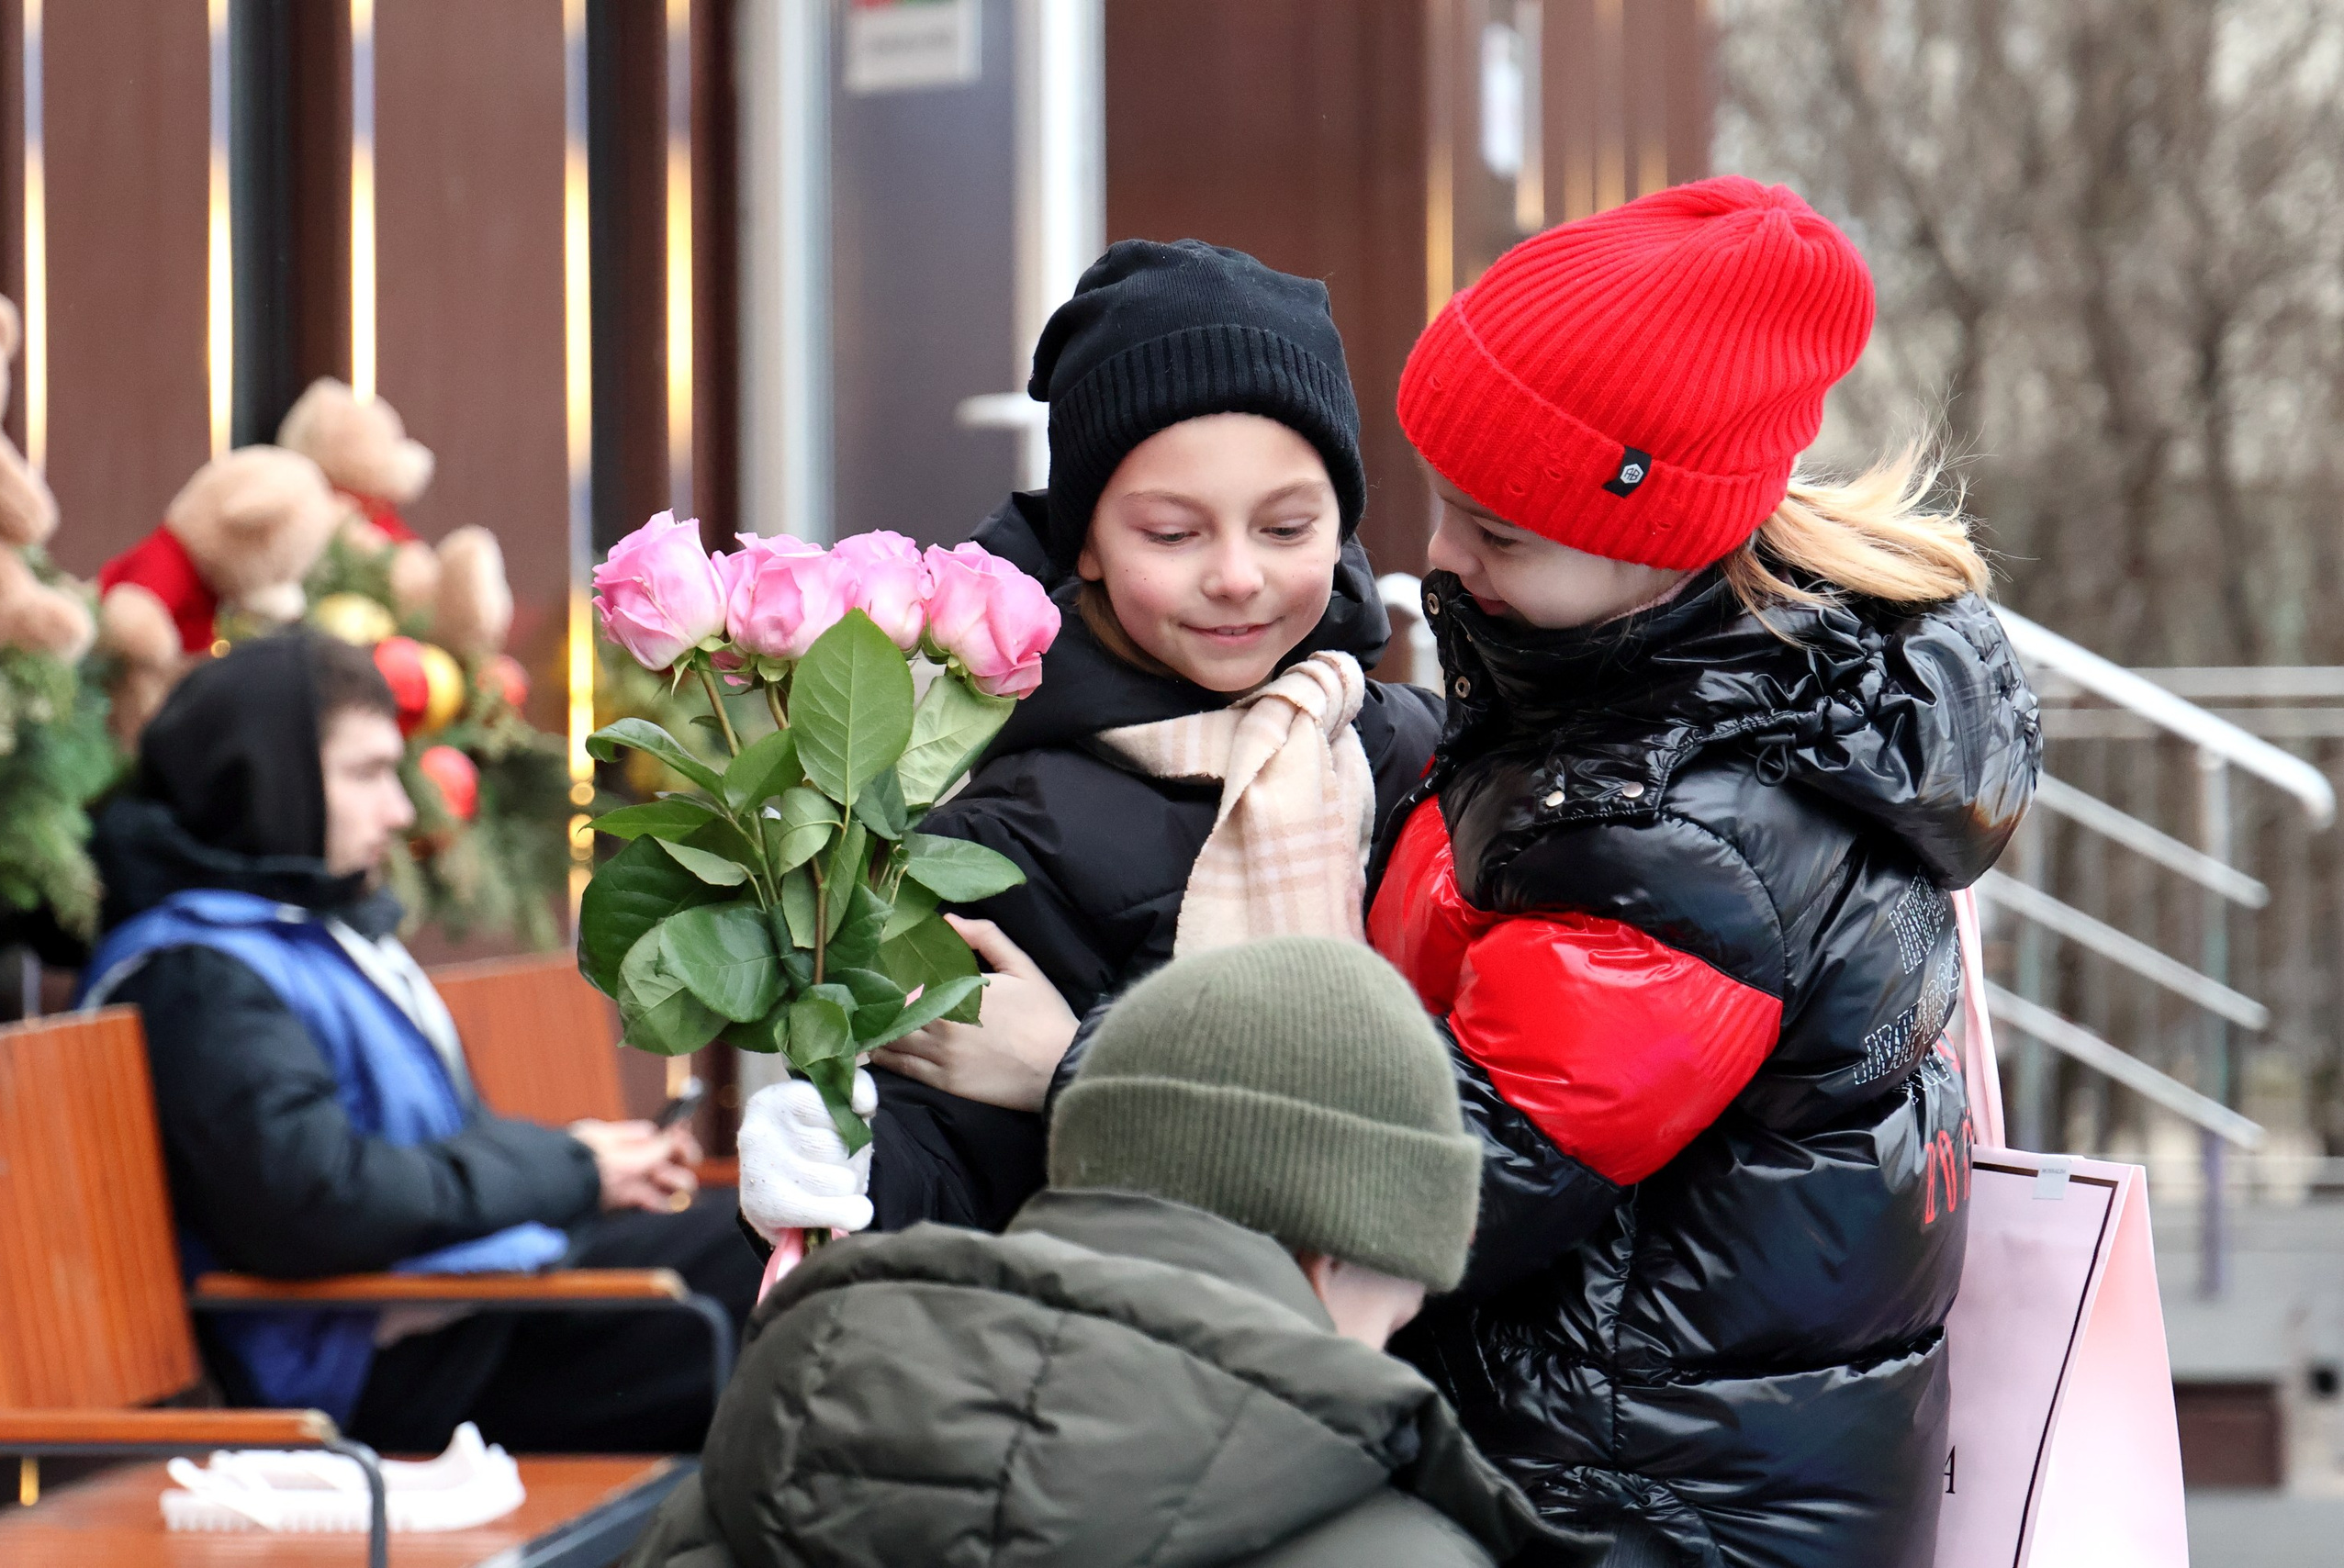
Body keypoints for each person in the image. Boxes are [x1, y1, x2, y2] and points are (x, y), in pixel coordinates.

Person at [1366, 177, 2041, 1566]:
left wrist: (1091, 1066)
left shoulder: (1683, 837)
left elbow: (1460, 1179)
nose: (1437, 558)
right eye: (1440, 505)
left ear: (1652, 541)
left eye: (1496, 534)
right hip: (1674, 1470)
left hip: (1641, 1512)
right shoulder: (1692, 696)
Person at [739, 240, 1444, 1244]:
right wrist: (847, 1163)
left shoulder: (1415, 756)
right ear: (1086, 543)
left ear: (1343, 525)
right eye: (1172, 533)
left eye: (1287, 528)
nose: (1237, 575)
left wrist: (1079, 1066)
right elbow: (947, 1146)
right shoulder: (1002, 831)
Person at [632, 936, 1582, 1568]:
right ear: (1337, 1246)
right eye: (1414, 1271)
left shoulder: (773, 1445)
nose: (1411, 1310)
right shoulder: (1399, 1548)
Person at [76, 632, 758, 1453]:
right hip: (383, 1367)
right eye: (365, 773)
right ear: (269, 781)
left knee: (767, 1238)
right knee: (762, 1272)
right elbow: (318, 1201)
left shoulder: (298, 936)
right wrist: (570, 1171)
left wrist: (581, 1163)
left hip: (457, 1308)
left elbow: (417, 1151)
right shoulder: (197, 975)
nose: (401, 810)